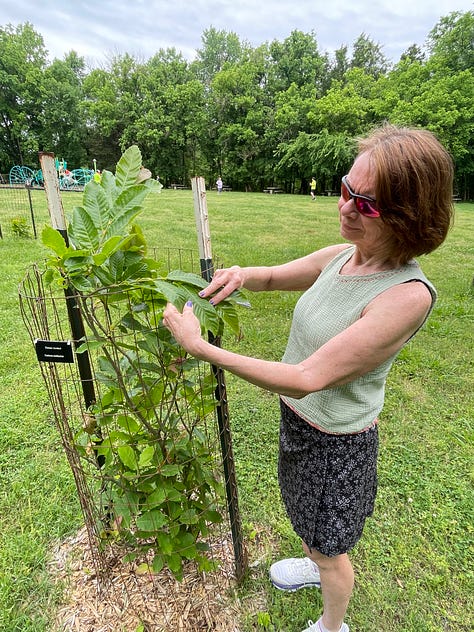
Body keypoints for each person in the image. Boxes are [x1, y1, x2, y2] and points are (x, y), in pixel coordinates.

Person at [163, 124, 454, 632]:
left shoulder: (406, 296)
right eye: (347, 189)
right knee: (310, 524)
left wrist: (200, 347)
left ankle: (331, 622)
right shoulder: (346, 255)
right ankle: (315, 561)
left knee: (331, 546)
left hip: (335, 443)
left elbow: (306, 376)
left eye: (366, 204)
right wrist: (243, 274)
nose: (345, 208)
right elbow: (275, 276)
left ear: (409, 217)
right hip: (299, 423)